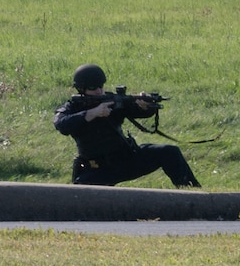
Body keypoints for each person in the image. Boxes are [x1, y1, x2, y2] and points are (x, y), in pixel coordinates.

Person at [53, 63, 199, 188]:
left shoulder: (111, 100)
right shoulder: (72, 107)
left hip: (126, 159)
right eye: (93, 88)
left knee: (169, 152)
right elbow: (61, 124)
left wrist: (145, 106)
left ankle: (191, 192)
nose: (99, 91)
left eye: (100, 86)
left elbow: (137, 111)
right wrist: (92, 113)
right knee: (81, 199)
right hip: (97, 169)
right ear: (81, 88)